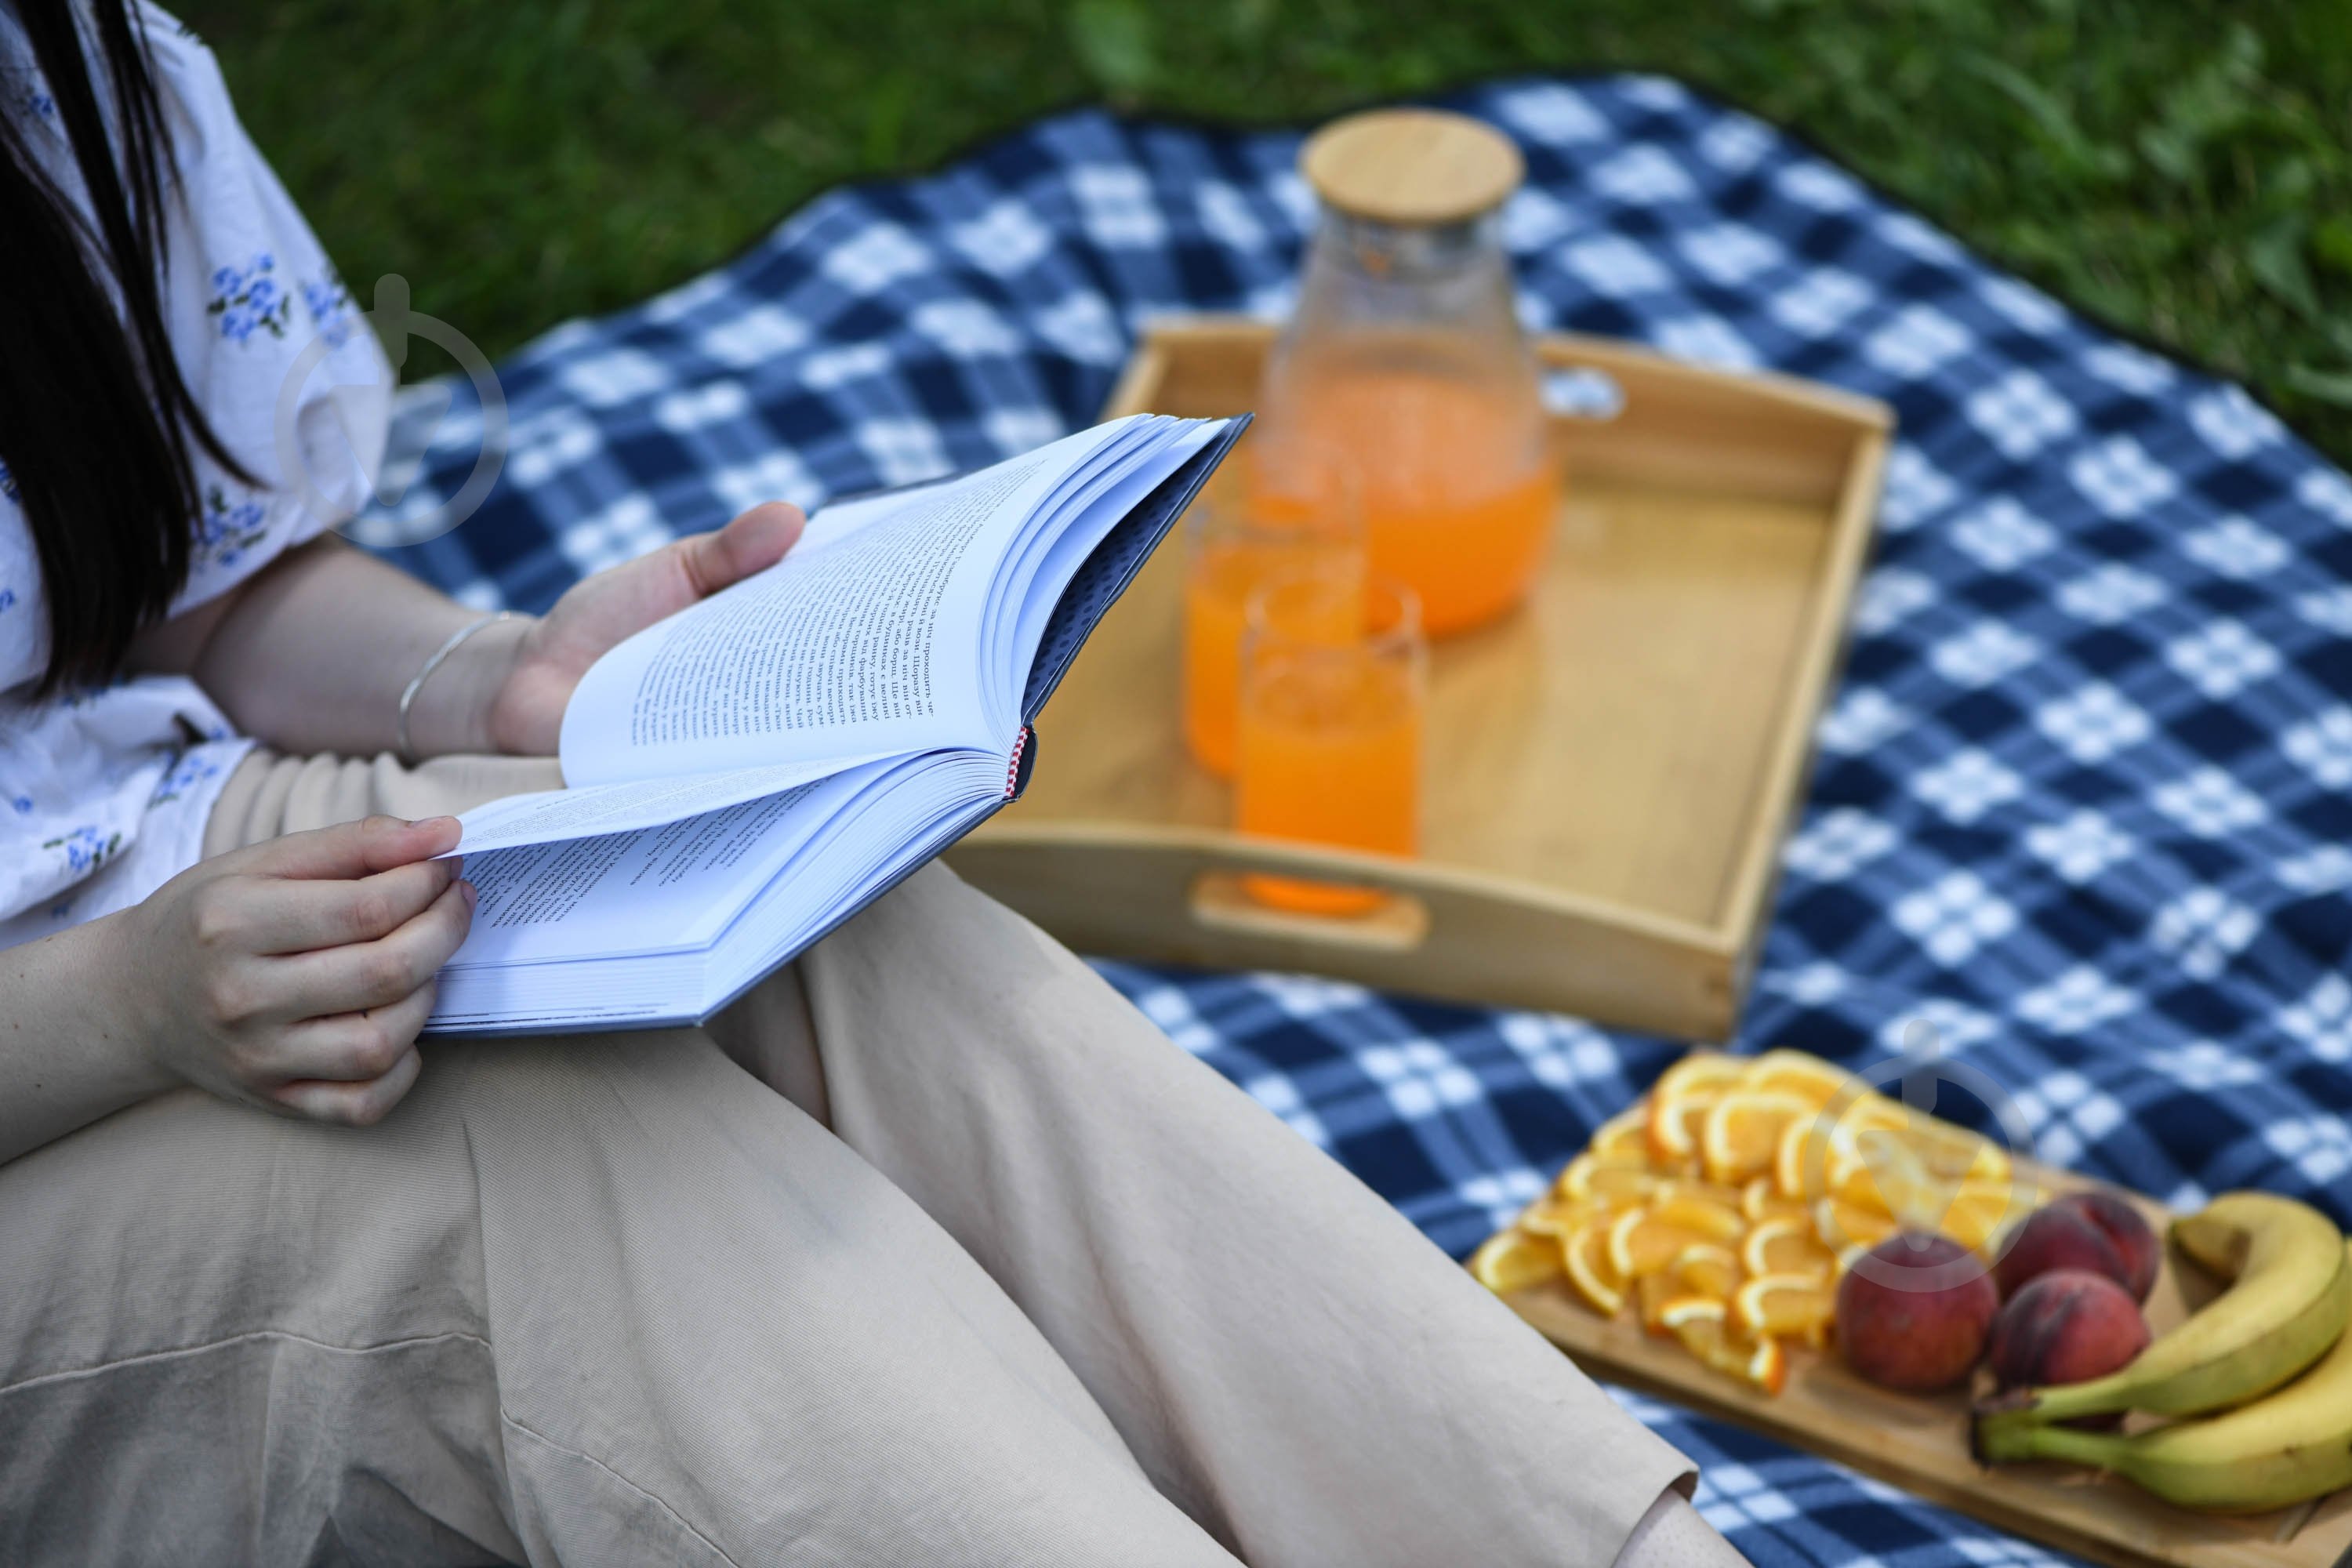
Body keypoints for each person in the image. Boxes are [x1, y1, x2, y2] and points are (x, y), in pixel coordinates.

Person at [0, 5, 1750, 1563]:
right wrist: (127, 1005)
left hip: (136, 850)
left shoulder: (51, 64)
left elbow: (192, 591)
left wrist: (501, 677)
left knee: (828, 935)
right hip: (67, 1023)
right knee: (514, 1167)